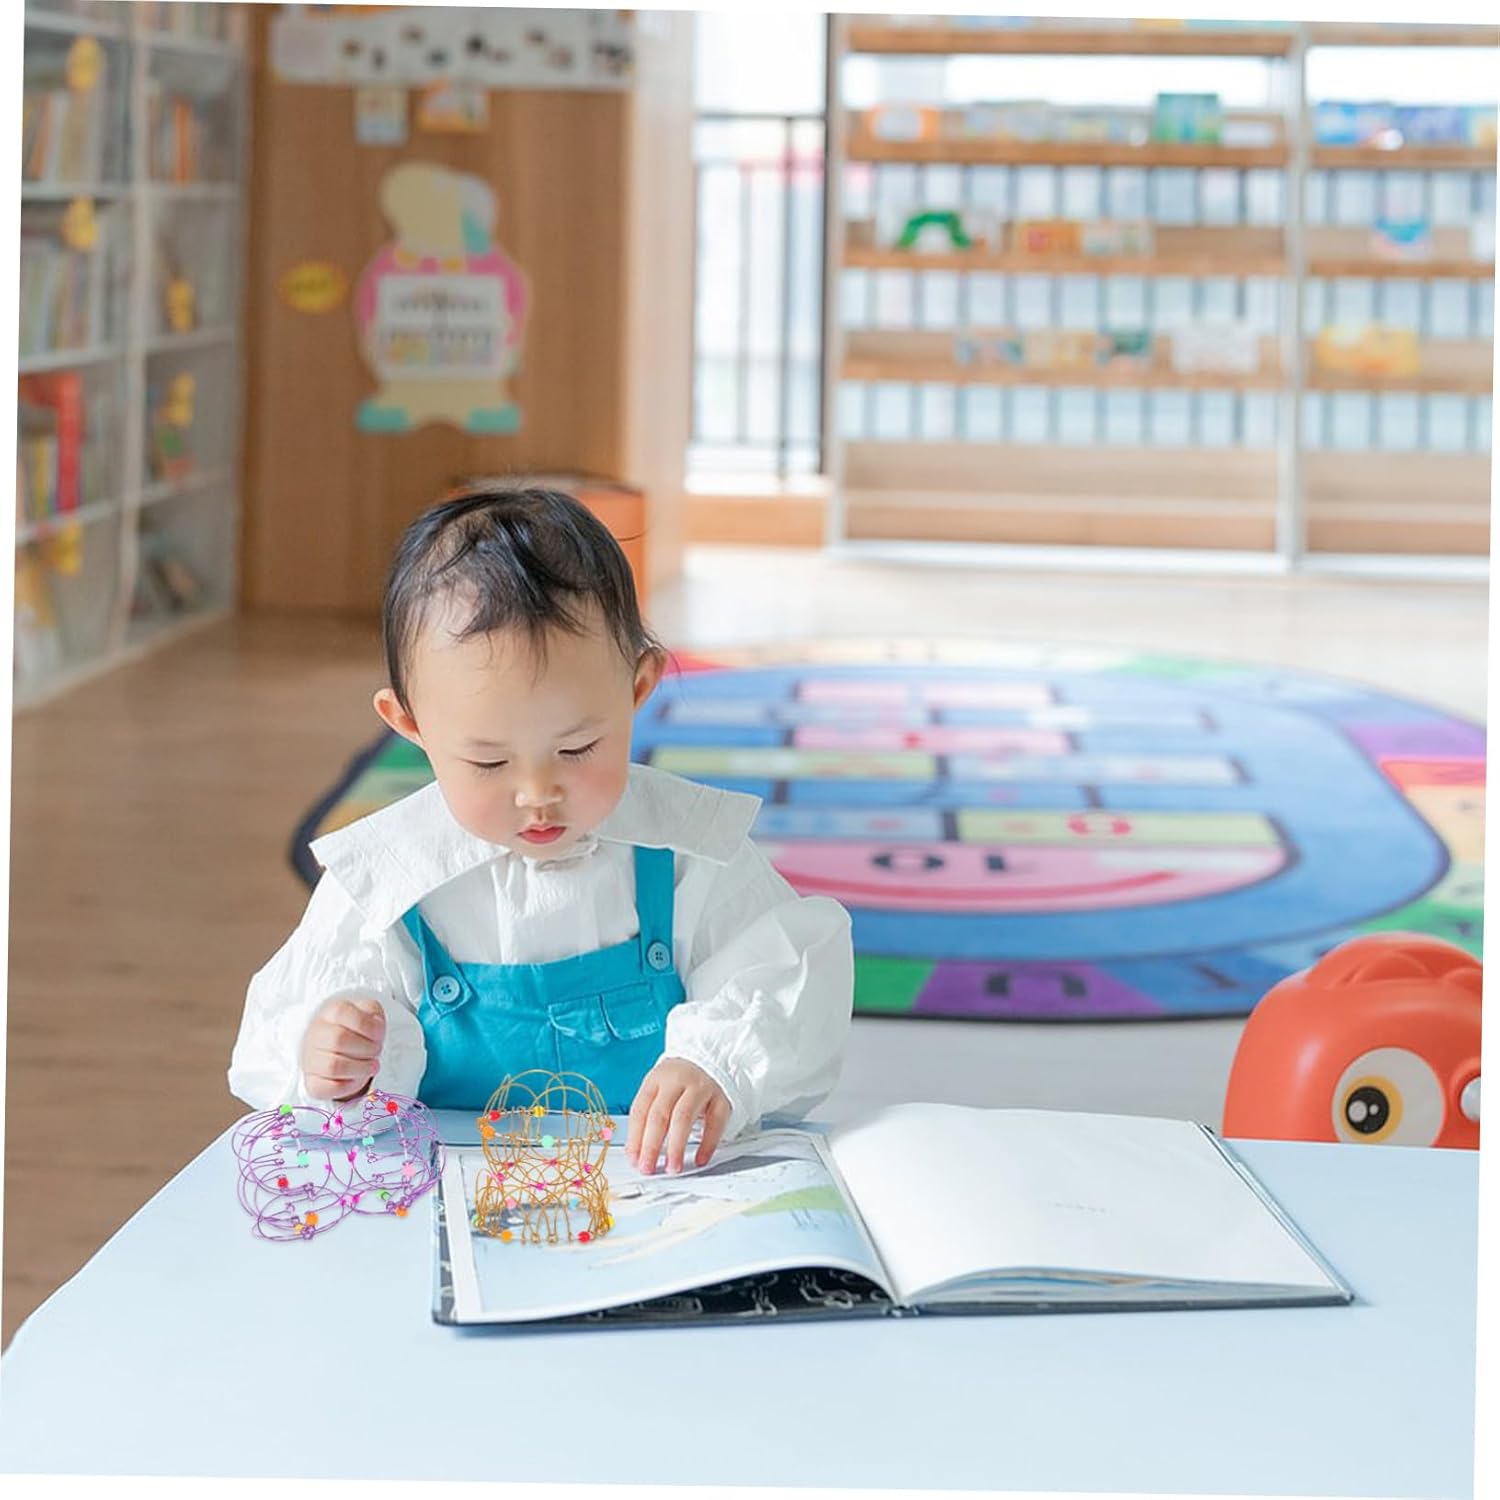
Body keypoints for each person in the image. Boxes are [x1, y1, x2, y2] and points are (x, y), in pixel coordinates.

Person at [228, 485, 854, 1175]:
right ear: (411, 724)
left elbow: (786, 980)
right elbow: (283, 1036)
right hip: (453, 1193)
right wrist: (335, 1059)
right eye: (489, 762)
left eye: (577, 748)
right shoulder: (390, 880)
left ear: (637, 688)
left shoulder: (685, 850)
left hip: (650, 1188)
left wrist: (717, 1064)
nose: (538, 794)